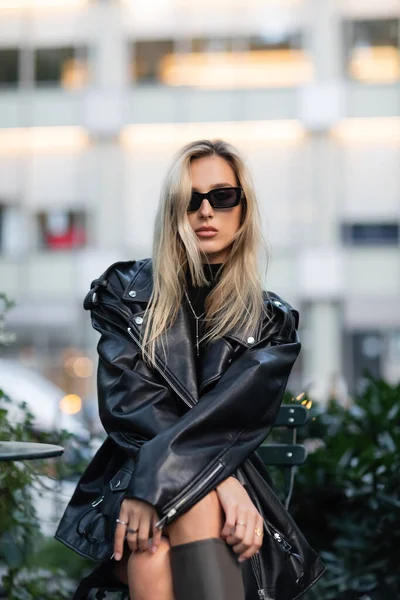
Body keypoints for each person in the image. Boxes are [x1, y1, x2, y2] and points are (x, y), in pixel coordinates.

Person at [55, 139, 325, 600]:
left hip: (181, 493)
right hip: (155, 482)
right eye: (190, 199)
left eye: (222, 197)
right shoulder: (128, 293)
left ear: (243, 209)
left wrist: (161, 485)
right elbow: (130, 406)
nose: (206, 211)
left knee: (156, 545)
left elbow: (230, 422)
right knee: (177, 520)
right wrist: (220, 485)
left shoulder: (270, 322)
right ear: (173, 210)